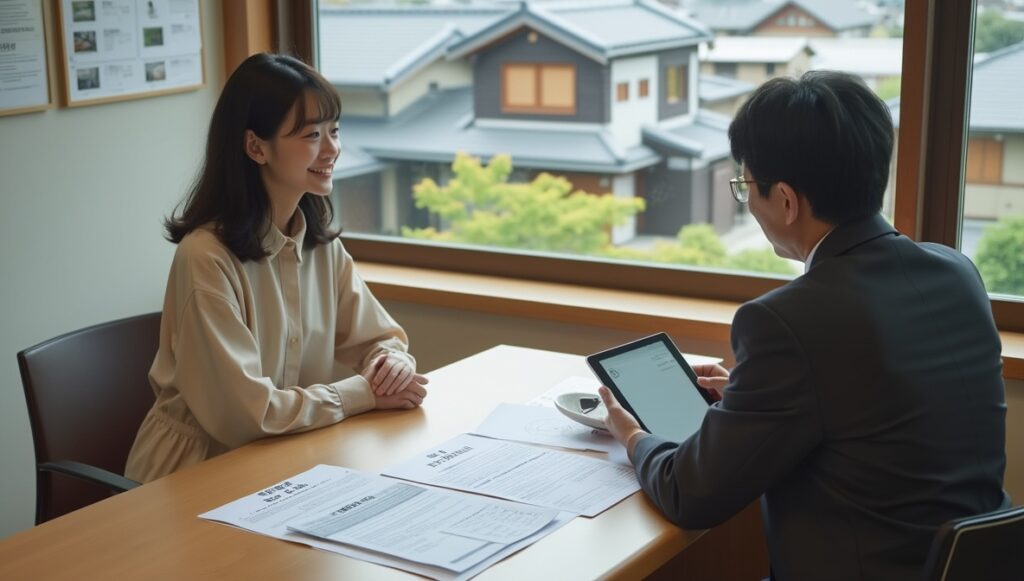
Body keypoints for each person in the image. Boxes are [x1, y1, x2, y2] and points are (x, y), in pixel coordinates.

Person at [598, 71, 1009, 580]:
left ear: (787, 201)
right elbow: (877, 408)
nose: (749, 204)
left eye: (746, 187)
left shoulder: (786, 321)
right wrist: (753, 395)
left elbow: (689, 494)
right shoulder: (956, 272)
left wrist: (633, 436)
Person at [125, 54, 428, 483]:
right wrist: (361, 393)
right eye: (312, 135)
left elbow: (379, 339)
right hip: (195, 471)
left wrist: (390, 364)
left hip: (284, 456)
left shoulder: (320, 245)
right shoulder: (205, 258)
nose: (332, 149)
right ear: (256, 147)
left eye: (334, 130)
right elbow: (246, 416)